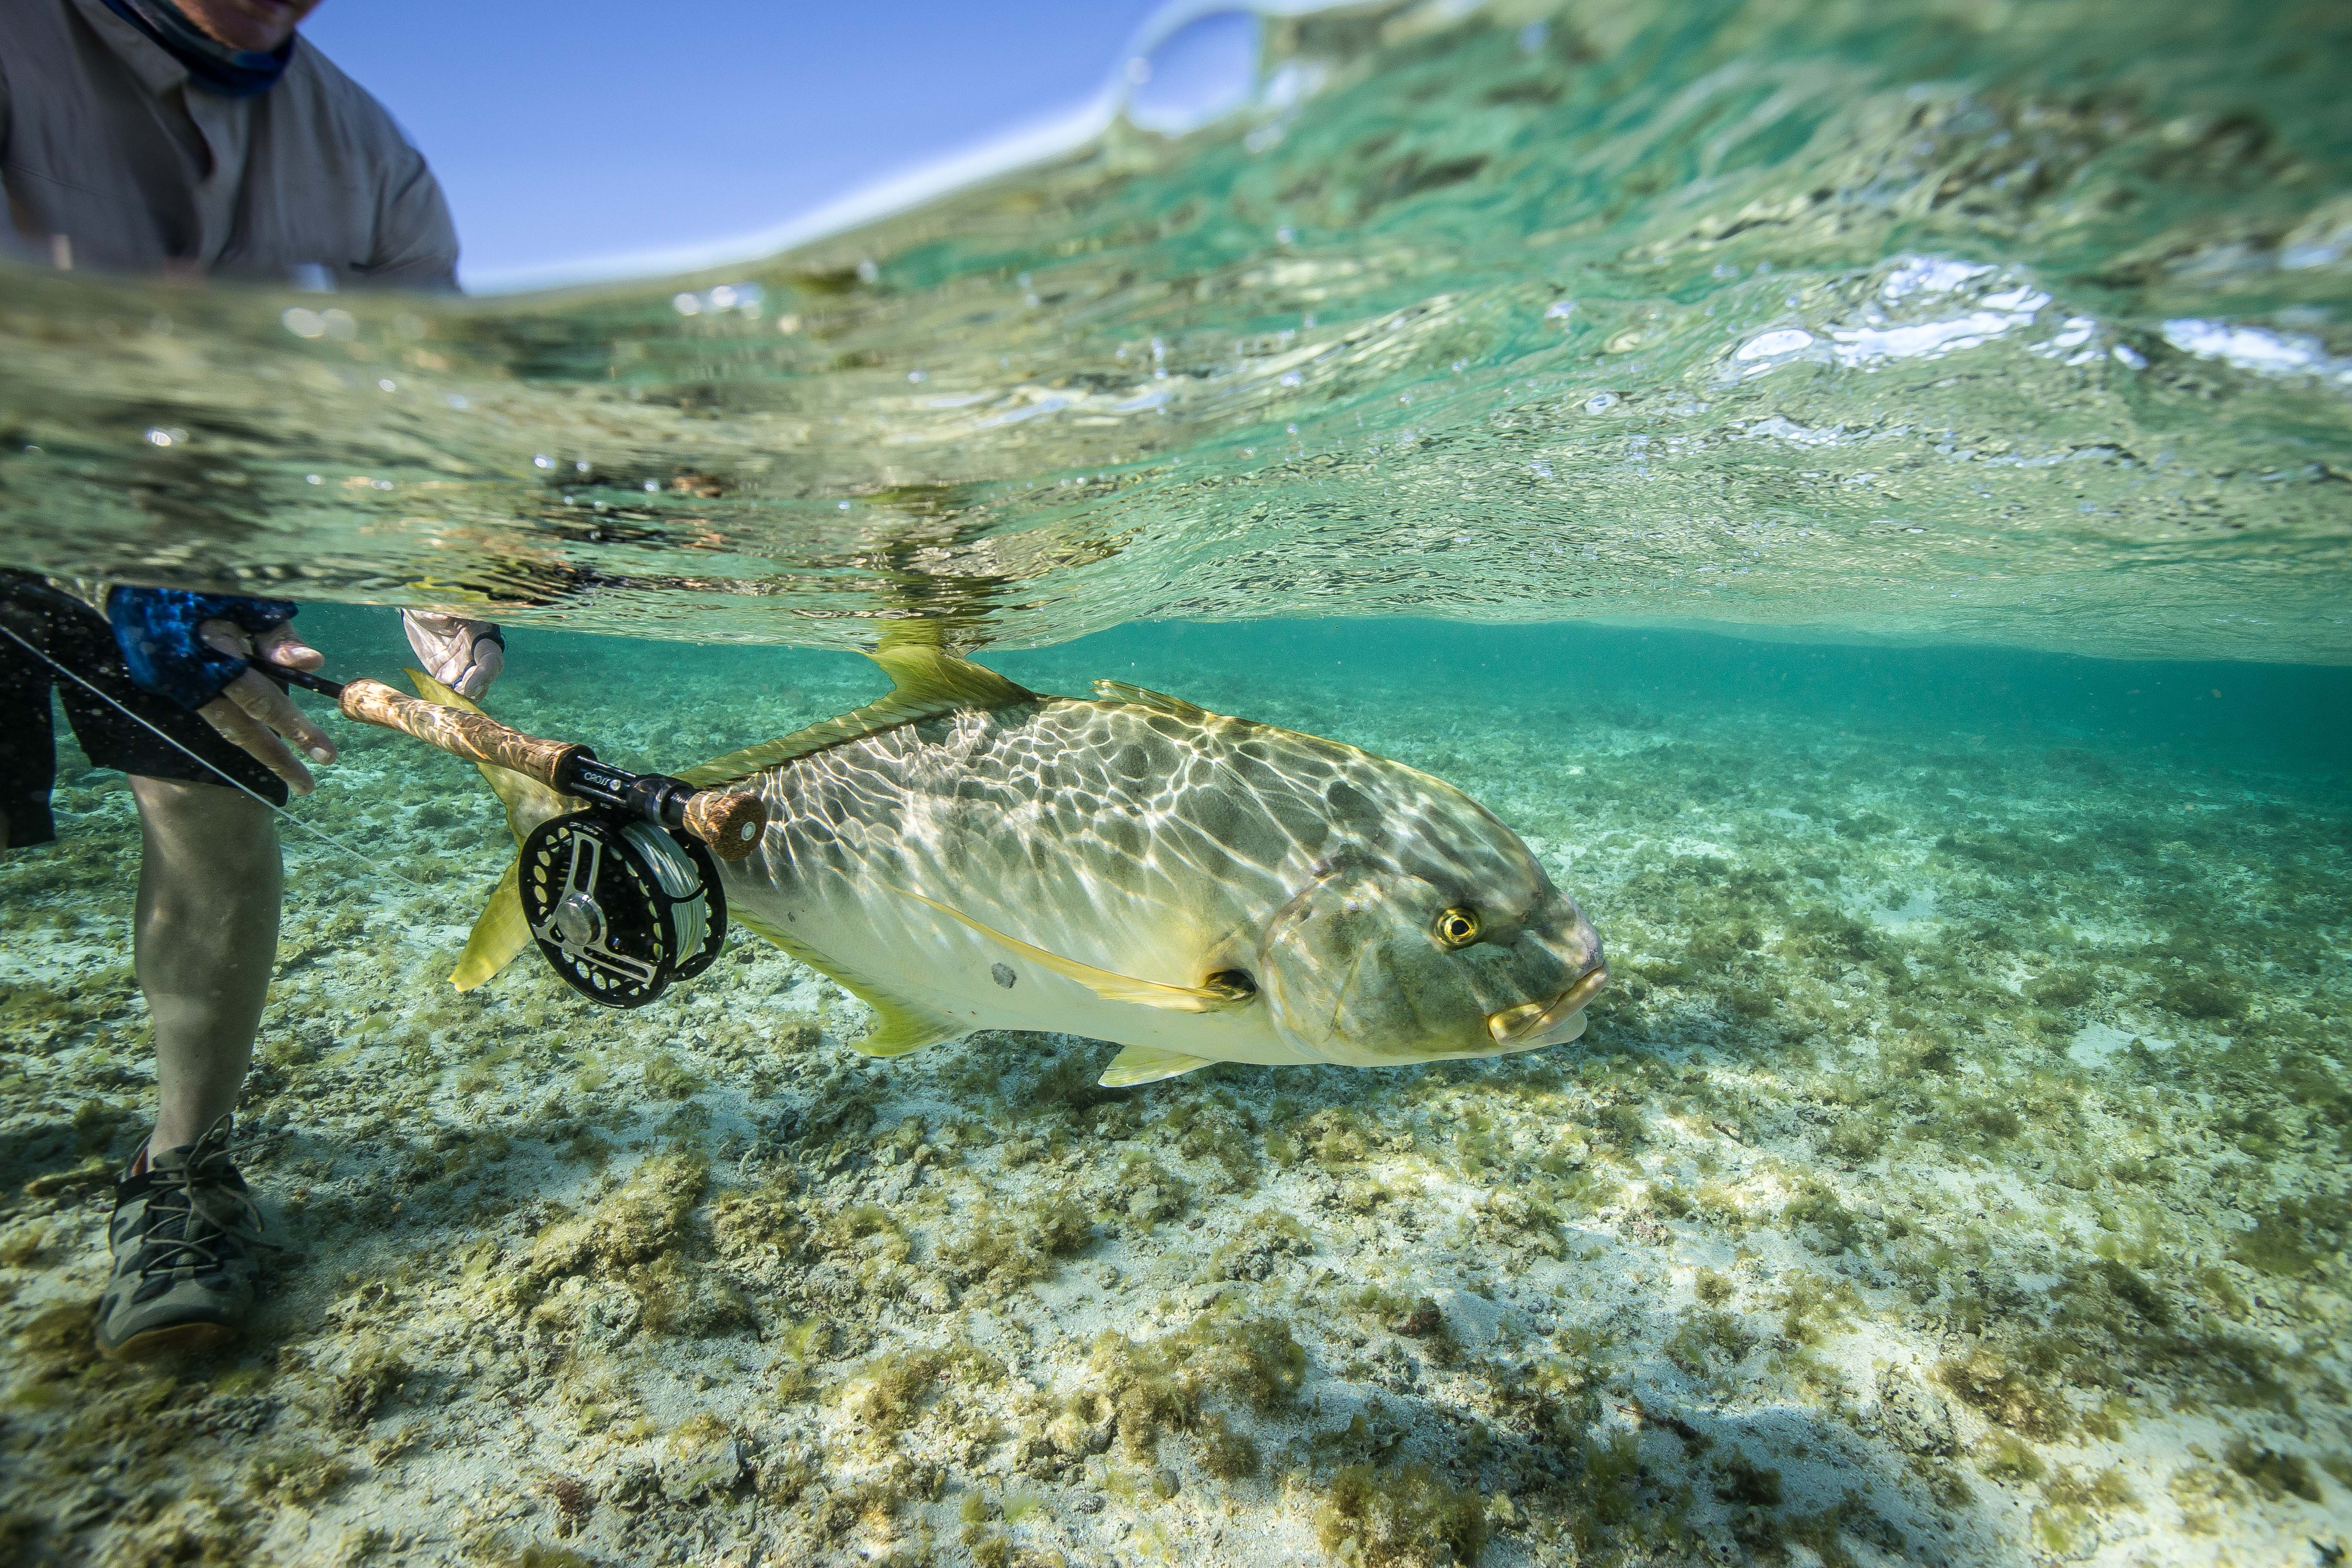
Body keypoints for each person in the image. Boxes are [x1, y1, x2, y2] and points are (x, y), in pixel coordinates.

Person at [0, 0, 502, 1358]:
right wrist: (112, 552)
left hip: (188, 546)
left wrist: (449, 567)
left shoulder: (366, 155)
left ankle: (183, 1171)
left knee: (212, 810)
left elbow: (422, 398)